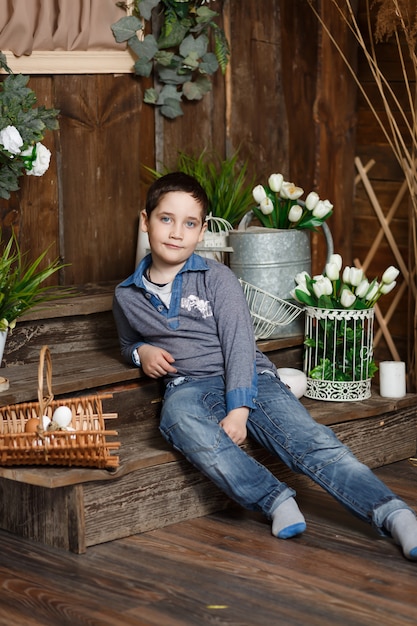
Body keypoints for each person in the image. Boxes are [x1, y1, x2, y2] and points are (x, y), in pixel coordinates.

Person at [113, 171, 417, 561]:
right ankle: (273, 498)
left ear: (201, 231)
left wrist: (239, 408)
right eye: (165, 219)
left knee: (306, 439)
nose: (176, 232)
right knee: (178, 420)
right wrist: (142, 352)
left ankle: (392, 512)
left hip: (249, 376)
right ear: (145, 220)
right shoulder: (127, 295)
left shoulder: (216, 278)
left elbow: (240, 343)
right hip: (187, 384)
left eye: (189, 223)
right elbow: (126, 343)